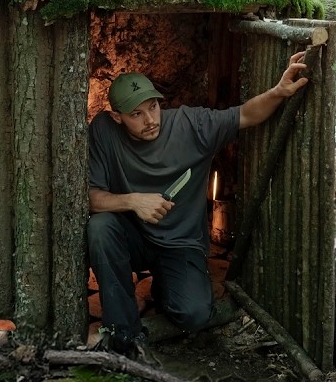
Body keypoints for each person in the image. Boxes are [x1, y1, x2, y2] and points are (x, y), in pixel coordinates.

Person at [86, 51, 309, 358]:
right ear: (117, 117)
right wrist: (133, 201)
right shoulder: (104, 131)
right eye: (136, 114)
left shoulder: (191, 124)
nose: (151, 120)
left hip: (180, 244)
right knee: (100, 227)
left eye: (153, 107)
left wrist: (278, 92)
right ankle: (123, 335)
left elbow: (246, 114)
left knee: (193, 314)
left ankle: (165, 288)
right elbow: (91, 198)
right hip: (132, 237)